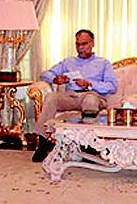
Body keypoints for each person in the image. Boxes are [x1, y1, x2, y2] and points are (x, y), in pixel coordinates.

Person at [32, 29, 118, 162]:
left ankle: (88, 147)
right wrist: (56, 79)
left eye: (84, 44)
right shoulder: (68, 62)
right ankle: (42, 143)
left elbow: (112, 86)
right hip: (71, 96)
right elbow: (45, 74)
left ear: (92, 43)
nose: (80, 48)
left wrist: (89, 84)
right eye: (78, 44)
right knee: (51, 97)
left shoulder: (103, 63)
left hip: (93, 95)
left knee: (90, 100)